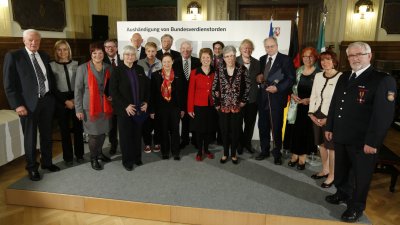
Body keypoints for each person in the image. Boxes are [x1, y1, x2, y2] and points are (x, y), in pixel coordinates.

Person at [325, 42, 397, 223]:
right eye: (351, 55)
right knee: (342, 170)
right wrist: (330, 127)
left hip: (363, 141)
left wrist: (373, 142)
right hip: (341, 135)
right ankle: (342, 193)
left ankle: (356, 207)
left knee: (360, 176)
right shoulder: (345, 76)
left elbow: (383, 116)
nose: (355, 58)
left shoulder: (382, 80)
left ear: (369, 56)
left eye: (359, 54)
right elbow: (335, 104)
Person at [3, 29, 60, 181]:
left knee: (47, 135)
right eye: (30, 40)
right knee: (30, 138)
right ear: (24, 40)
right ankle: (32, 168)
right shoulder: (14, 56)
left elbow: (49, 78)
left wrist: (53, 98)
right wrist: (17, 105)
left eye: (37, 40)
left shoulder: (44, 55)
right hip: (27, 105)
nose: (34, 43)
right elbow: (9, 84)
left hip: (46, 101)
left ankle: (47, 163)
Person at [255, 37, 295, 165]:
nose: (269, 49)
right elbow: (260, 75)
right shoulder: (262, 59)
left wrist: (277, 88)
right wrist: (258, 78)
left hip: (276, 99)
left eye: (271, 46)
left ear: (277, 46)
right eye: (267, 46)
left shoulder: (286, 59)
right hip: (262, 99)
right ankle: (264, 150)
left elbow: (290, 79)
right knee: (263, 126)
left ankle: (277, 153)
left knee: (276, 127)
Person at [110, 45, 150, 171]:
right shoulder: (117, 70)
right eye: (127, 54)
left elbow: (146, 88)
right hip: (125, 110)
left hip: (138, 109)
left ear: (135, 56)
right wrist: (125, 106)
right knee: (126, 136)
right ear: (123, 56)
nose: (130, 57)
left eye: (132, 54)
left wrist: (146, 102)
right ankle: (127, 161)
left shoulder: (139, 69)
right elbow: (113, 92)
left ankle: (137, 158)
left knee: (137, 135)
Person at [75, 42, 113, 170]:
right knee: (94, 135)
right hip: (89, 107)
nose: (98, 55)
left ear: (104, 54)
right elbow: (78, 90)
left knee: (102, 133)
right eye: (94, 53)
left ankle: (100, 153)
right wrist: (78, 109)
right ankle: (93, 157)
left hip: (105, 107)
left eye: (100, 53)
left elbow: (111, 87)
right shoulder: (83, 68)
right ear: (91, 54)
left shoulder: (108, 67)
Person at [308, 50, 342, 188]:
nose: (325, 62)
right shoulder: (317, 76)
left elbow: (339, 101)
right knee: (321, 144)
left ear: (334, 61)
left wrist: (329, 119)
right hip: (316, 114)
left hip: (331, 117)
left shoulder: (341, 77)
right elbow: (314, 95)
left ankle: (332, 175)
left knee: (332, 148)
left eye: (328, 59)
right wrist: (311, 114)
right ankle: (325, 169)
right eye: (322, 60)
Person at [212, 46, 250, 164]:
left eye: (232, 56)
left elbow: (248, 86)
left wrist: (243, 100)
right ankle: (225, 153)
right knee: (224, 131)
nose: (230, 58)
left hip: (236, 107)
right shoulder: (219, 69)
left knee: (235, 131)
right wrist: (217, 103)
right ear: (223, 58)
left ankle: (233, 154)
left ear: (235, 56)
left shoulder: (242, 69)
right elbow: (214, 88)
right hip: (223, 107)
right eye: (227, 56)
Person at [50, 40, 84, 166]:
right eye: (59, 49)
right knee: (64, 130)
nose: (62, 52)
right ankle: (68, 158)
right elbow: (52, 87)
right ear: (56, 51)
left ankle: (80, 155)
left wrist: (75, 99)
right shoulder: (51, 65)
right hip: (60, 99)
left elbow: (81, 83)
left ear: (69, 50)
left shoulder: (77, 63)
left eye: (65, 49)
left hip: (76, 98)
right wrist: (65, 101)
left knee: (78, 129)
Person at [285, 47, 320, 170]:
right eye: (305, 56)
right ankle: (294, 155)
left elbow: (321, 93)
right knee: (295, 131)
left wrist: (310, 100)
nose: (307, 59)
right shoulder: (298, 70)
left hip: (310, 108)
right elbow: (290, 86)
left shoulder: (319, 73)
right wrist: (292, 95)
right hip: (296, 106)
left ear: (315, 58)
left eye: (310, 56)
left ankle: (302, 158)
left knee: (305, 133)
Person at [150, 53, 185, 160]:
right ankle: (165, 152)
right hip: (161, 108)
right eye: (164, 61)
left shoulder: (179, 74)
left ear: (172, 62)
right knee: (163, 130)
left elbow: (183, 93)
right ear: (161, 62)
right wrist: (152, 110)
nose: (167, 64)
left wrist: (182, 108)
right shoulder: (156, 75)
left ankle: (176, 152)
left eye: (169, 61)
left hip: (175, 107)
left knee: (175, 130)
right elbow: (152, 94)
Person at [187, 48, 216, 161]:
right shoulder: (195, 72)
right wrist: (190, 108)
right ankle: (199, 151)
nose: (205, 59)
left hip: (211, 105)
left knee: (209, 129)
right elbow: (190, 92)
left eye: (208, 57)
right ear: (200, 59)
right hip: (198, 105)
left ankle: (207, 150)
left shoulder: (215, 71)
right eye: (203, 57)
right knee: (199, 130)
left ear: (211, 59)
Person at [173, 41, 201, 149]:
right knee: (183, 119)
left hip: (195, 96)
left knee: (194, 118)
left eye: (188, 49)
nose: (185, 51)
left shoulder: (197, 62)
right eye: (183, 48)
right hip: (180, 97)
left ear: (191, 50)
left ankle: (195, 140)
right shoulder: (174, 62)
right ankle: (184, 140)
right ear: (180, 50)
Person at [236, 39, 260, 154]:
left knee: (250, 124)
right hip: (238, 100)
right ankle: (239, 145)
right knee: (238, 123)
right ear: (240, 49)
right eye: (245, 47)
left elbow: (260, 79)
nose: (247, 49)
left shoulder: (257, 63)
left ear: (252, 50)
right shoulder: (234, 61)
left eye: (249, 47)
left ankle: (247, 143)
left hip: (253, 99)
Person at [137, 42, 162, 153]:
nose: (151, 53)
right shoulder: (139, 63)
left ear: (156, 51)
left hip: (157, 95)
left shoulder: (161, 63)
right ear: (145, 51)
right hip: (144, 95)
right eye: (148, 51)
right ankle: (147, 143)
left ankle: (157, 142)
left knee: (157, 121)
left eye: (153, 51)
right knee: (146, 121)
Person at [103, 39, 122, 155]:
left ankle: (125, 144)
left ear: (117, 47)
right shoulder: (101, 60)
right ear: (104, 49)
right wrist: (107, 95)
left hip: (123, 98)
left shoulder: (124, 58)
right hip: (109, 99)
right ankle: (113, 145)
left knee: (123, 123)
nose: (110, 49)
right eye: (107, 47)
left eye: (112, 46)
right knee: (112, 125)